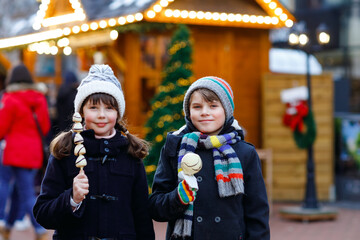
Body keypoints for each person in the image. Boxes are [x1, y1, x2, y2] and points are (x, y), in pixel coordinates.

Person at [33, 64, 155, 240]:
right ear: (81, 111)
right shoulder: (65, 151)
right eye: (93, 108)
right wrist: (71, 199)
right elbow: (43, 213)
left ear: (118, 112)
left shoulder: (131, 153)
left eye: (109, 108)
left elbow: (142, 216)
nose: (102, 115)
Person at [148, 76, 270, 240]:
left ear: (226, 110)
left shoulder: (245, 153)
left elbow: (257, 212)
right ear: (189, 111)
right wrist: (177, 198)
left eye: (213, 106)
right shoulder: (174, 148)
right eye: (197, 106)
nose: (205, 112)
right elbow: (156, 207)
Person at [0, 64, 50, 240]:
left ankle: (39, 230)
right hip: (34, 152)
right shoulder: (39, 98)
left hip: (14, 152)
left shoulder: (10, 98)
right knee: (18, 190)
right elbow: (45, 127)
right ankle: (7, 226)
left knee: (24, 192)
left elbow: (1, 128)